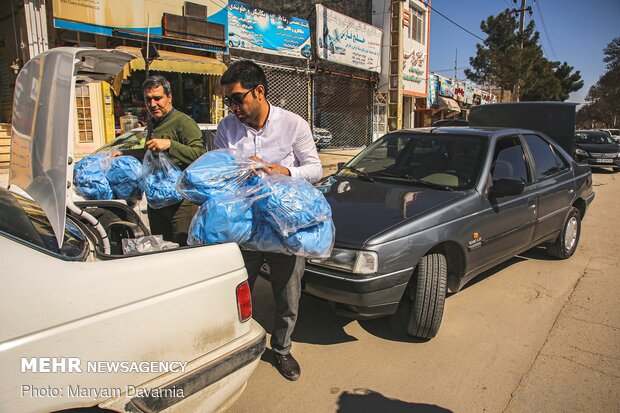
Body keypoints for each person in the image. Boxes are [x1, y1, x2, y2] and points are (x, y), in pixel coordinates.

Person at [215, 60, 322, 381]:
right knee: (234, 289)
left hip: (284, 228)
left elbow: (315, 169)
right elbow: (219, 171)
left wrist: (284, 171)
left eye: (237, 99)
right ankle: (235, 345)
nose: (232, 107)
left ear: (259, 92)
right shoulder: (227, 129)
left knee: (287, 294)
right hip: (244, 227)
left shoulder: (294, 124)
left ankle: (282, 349)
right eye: (228, 101)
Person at [117, 75, 206, 246]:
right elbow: (148, 153)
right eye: (148, 99)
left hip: (181, 204)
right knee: (161, 249)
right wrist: (123, 152)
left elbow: (201, 155)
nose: (152, 104)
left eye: (158, 98)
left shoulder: (184, 123)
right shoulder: (152, 123)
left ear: (169, 97)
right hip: (157, 204)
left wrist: (170, 145)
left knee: (183, 250)